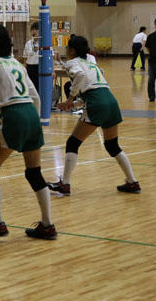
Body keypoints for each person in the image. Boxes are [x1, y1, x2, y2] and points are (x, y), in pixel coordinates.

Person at [0, 24, 56, 240]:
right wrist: (35, 121)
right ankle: (47, 225)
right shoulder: (16, 63)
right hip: (31, 113)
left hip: (14, 115)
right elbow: (35, 96)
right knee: (34, 172)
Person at [48, 35, 140, 195]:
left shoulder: (72, 63)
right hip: (110, 100)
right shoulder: (91, 59)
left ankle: (65, 184)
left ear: (72, 50)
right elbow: (90, 89)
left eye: (67, 48)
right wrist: (71, 104)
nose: (66, 50)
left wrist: (69, 99)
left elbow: (81, 76)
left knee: (73, 143)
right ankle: (132, 182)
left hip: (97, 103)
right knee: (112, 145)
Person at [23, 22, 40, 92]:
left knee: (39, 88)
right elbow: (25, 58)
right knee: (30, 89)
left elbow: (52, 58)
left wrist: (53, 71)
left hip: (39, 68)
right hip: (30, 68)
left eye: (36, 29)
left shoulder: (44, 43)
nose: (34, 31)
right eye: (32, 29)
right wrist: (24, 70)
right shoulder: (28, 43)